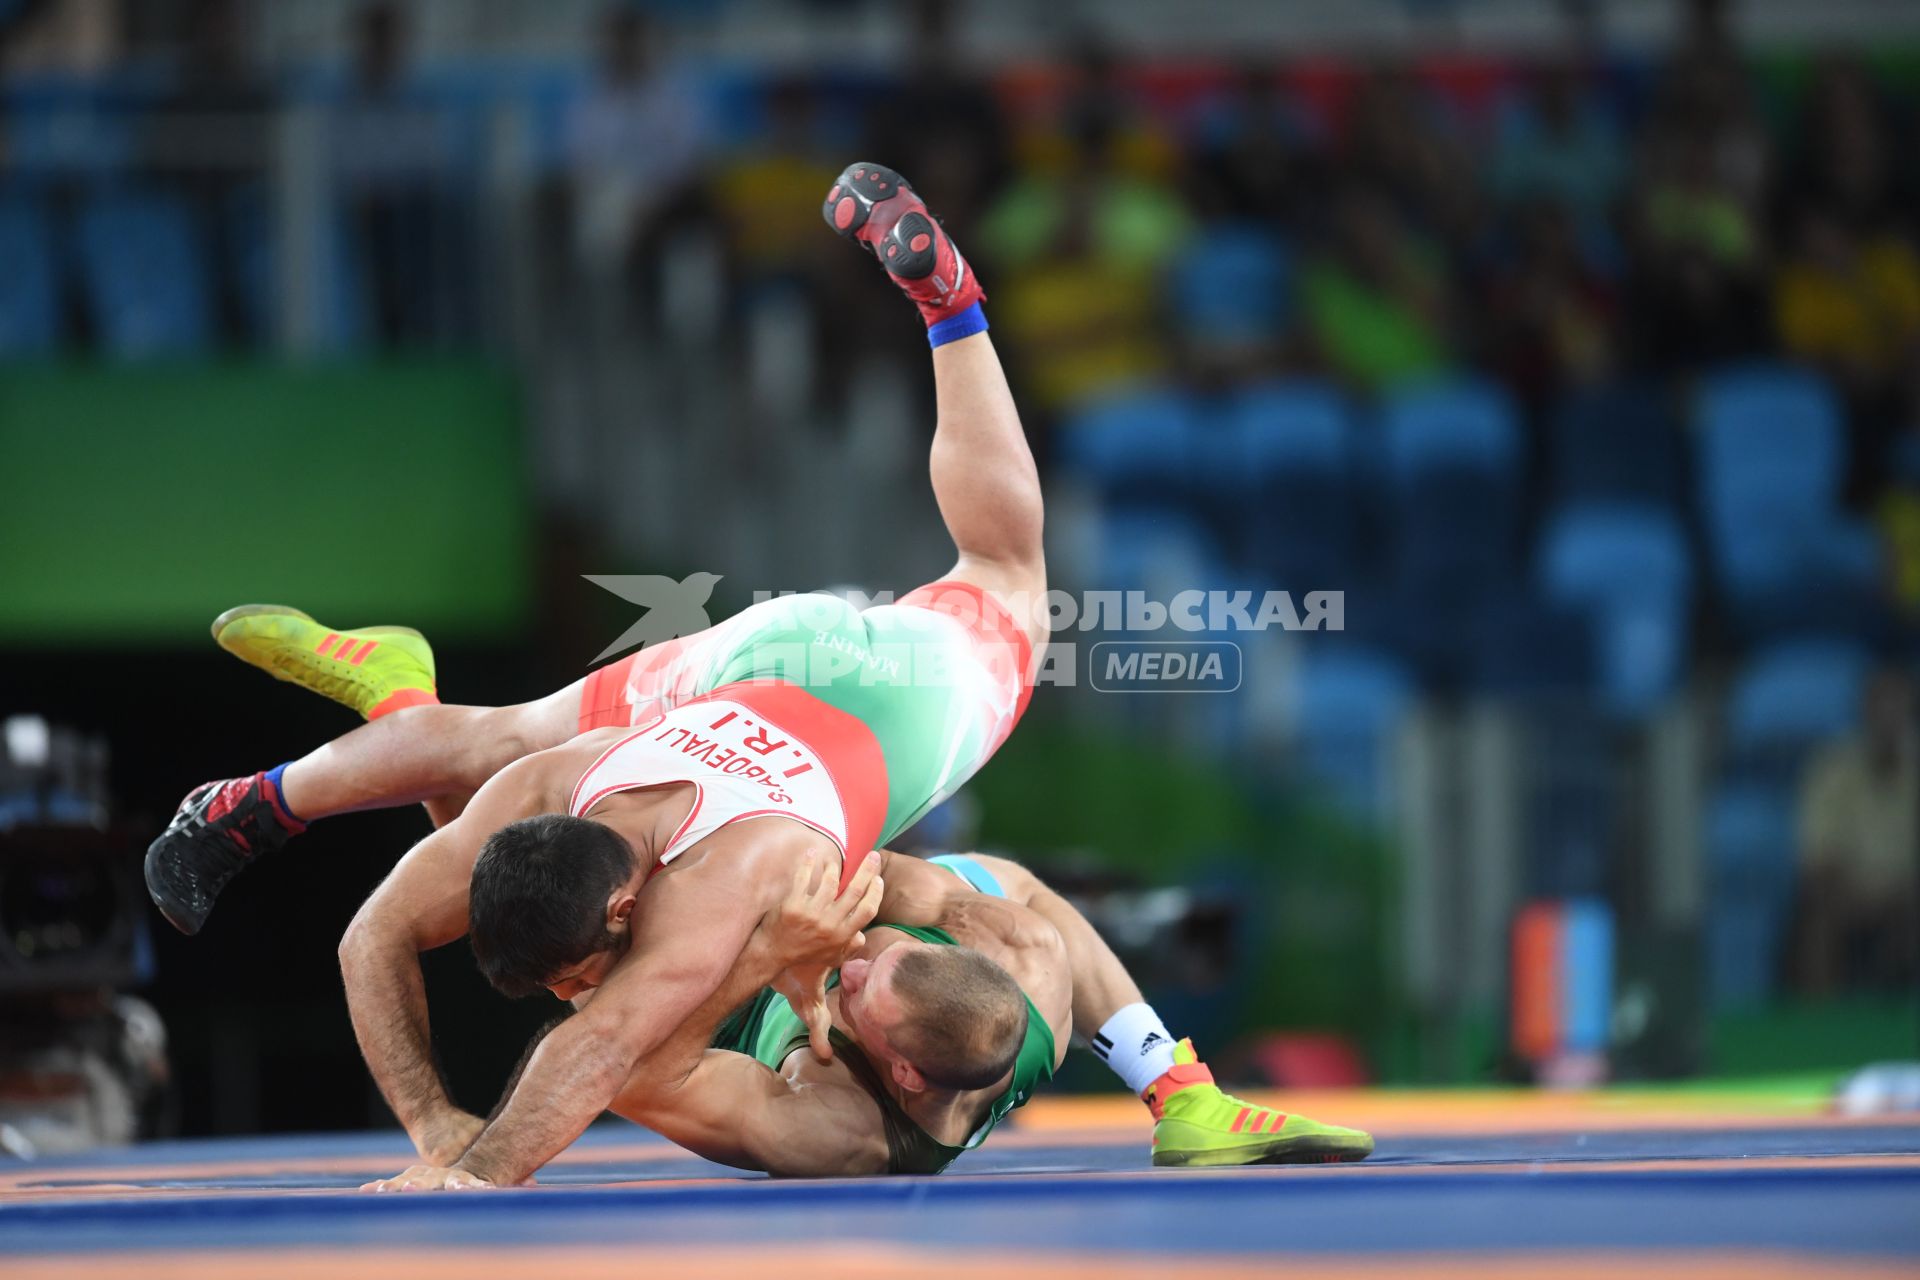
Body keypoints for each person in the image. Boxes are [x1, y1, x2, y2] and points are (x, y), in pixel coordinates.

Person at [147, 163, 1371, 1180]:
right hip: (811, 681)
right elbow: (552, 1010)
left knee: (499, 740)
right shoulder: (646, 844)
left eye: (861, 977)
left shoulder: (626, 848)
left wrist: (466, 1160)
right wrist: (448, 1149)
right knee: (1002, 578)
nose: (856, 957)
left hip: (796, 674)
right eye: (877, 957)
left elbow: (610, 1042)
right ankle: (948, 301)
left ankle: (285, 782)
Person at [1794, 668, 1919, 995]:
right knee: (1820, 916)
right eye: (1881, 707)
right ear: (1864, 711)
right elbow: (1818, 858)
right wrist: (1861, 894)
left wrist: (1898, 894)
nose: (1889, 718)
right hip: (1847, 894)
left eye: (1898, 707)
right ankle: (1823, 1025)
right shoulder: (1832, 771)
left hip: (1907, 896)